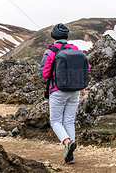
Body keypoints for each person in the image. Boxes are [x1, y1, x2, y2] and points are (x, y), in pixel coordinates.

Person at [39, 23, 86, 164]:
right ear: (66, 36)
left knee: (55, 121)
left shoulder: (51, 52)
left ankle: (67, 143)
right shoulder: (76, 50)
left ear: (54, 36)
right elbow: (86, 68)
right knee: (69, 121)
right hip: (76, 91)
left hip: (58, 91)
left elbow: (44, 74)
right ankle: (70, 155)